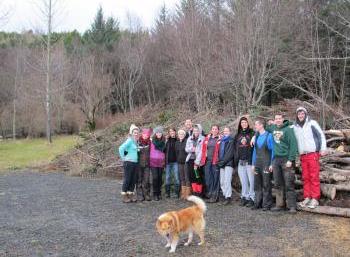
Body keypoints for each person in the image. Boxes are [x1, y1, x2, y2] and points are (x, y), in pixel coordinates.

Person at [293, 107, 327, 209]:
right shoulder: (295, 127)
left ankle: (315, 198)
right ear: (297, 115)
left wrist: (323, 148)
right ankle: (307, 197)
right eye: (299, 114)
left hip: (312, 154)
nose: (301, 115)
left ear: (305, 114)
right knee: (306, 177)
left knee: (314, 176)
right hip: (303, 155)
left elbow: (321, 135)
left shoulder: (312, 123)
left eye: (302, 113)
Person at [268, 113, 298, 213]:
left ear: (283, 119)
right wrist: (255, 136)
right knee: (278, 183)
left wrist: (290, 159)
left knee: (289, 183)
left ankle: (292, 206)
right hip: (276, 159)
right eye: (276, 119)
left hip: (286, 159)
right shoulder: (272, 128)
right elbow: (262, 128)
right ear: (274, 120)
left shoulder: (288, 129)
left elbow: (293, 145)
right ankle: (280, 205)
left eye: (279, 119)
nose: (278, 120)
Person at [251, 119, 274, 211]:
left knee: (266, 184)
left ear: (261, 125)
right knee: (257, 184)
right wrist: (253, 164)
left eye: (256, 124)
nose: (255, 126)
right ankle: (257, 203)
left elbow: (273, 150)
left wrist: (272, 163)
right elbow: (255, 151)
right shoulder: (256, 137)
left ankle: (266, 205)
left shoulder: (269, 136)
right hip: (257, 163)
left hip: (266, 163)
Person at [233, 117, 255, 208]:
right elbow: (235, 147)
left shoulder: (252, 133)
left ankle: (252, 198)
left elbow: (260, 132)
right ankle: (244, 197)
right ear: (240, 124)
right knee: (243, 181)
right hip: (241, 161)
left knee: (251, 181)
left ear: (248, 123)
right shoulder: (238, 135)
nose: (244, 124)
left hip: (249, 161)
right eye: (242, 122)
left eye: (245, 122)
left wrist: (255, 136)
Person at [118, 124, 140, 203]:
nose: (136, 133)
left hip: (135, 163)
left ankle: (130, 193)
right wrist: (123, 158)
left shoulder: (135, 141)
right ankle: (124, 195)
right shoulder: (129, 140)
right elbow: (121, 148)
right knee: (127, 179)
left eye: (137, 132)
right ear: (131, 133)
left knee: (133, 179)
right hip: (128, 162)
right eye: (135, 132)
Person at [201, 125, 221, 203]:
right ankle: (210, 194)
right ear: (211, 130)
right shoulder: (207, 138)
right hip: (207, 161)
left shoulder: (220, 139)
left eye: (216, 129)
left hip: (215, 162)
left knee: (215, 179)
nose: (214, 130)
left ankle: (215, 196)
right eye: (213, 129)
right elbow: (203, 149)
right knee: (208, 178)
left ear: (218, 130)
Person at [185, 124, 205, 197]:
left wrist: (197, 162)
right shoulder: (190, 138)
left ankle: (199, 192)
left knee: (198, 176)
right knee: (192, 176)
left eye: (197, 130)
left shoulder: (203, 138)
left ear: (200, 131)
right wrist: (191, 149)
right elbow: (186, 149)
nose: (195, 132)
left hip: (198, 160)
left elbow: (202, 151)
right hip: (190, 159)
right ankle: (195, 192)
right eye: (194, 130)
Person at [217, 127, 235, 205]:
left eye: (227, 131)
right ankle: (225, 195)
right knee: (222, 181)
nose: (225, 132)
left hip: (228, 163)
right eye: (224, 131)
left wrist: (223, 162)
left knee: (227, 181)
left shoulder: (231, 140)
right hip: (222, 163)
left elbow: (230, 153)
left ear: (230, 132)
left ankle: (228, 197)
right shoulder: (222, 141)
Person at [150, 126, 166, 201]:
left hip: (161, 162)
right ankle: (155, 193)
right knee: (155, 178)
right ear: (155, 133)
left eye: (160, 132)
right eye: (157, 132)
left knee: (160, 178)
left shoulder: (164, 141)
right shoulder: (151, 141)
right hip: (152, 162)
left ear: (162, 133)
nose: (158, 134)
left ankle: (159, 193)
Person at [137, 128, 152, 201]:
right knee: (139, 180)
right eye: (144, 134)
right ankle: (140, 195)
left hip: (147, 165)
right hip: (139, 165)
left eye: (146, 134)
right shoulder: (137, 142)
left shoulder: (150, 143)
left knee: (146, 180)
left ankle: (146, 194)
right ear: (141, 134)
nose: (145, 136)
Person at [165, 128, 180, 198]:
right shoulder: (167, 140)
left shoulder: (178, 139)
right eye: (170, 131)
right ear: (169, 133)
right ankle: (167, 193)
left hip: (176, 162)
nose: (172, 132)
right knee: (168, 177)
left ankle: (176, 193)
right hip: (168, 162)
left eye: (173, 131)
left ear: (175, 132)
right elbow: (163, 149)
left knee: (176, 177)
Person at [176, 129, 191, 199]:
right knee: (182, 178)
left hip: (186, 162)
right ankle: (183, 193)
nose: (181, 135)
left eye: (182, 134)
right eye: (179, 134)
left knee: (187, 177)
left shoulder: (187, 141)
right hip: (179, 162)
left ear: (184, 135)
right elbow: (176, 152)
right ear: (178, 135)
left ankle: (188, 194)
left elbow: (189, 151)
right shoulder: (177, 142)